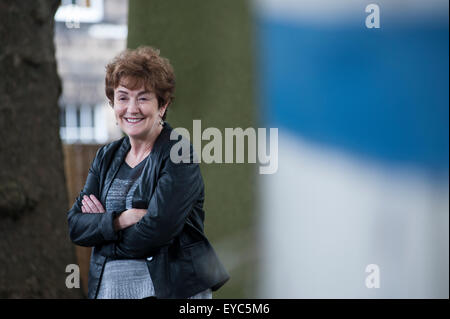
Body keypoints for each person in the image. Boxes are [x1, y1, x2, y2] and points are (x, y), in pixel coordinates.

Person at [67, 46, 229, 299]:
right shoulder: (106, 156)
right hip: (111, 290)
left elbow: (158, 230)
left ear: (162, 105)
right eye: (122, 98)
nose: (131, 108)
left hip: (169, 290)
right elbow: (76, 225)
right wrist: (119, 220)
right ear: (113, 103)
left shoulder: (179, 152)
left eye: (143, 98)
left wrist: (103, 234)